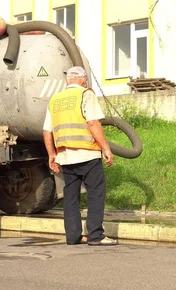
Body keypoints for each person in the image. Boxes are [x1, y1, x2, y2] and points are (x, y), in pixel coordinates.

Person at [43, 66, 118, 246]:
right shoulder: (86, 94)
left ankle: (73, 237)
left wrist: (51, 155)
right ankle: (95, 235)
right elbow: (93, 123)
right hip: (87, 154)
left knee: (70, 197)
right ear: (84, 80)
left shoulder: (55, 99)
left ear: (67, 80)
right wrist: (106, 148)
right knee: (96, 193)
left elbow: (47, 130)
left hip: (66, 157)